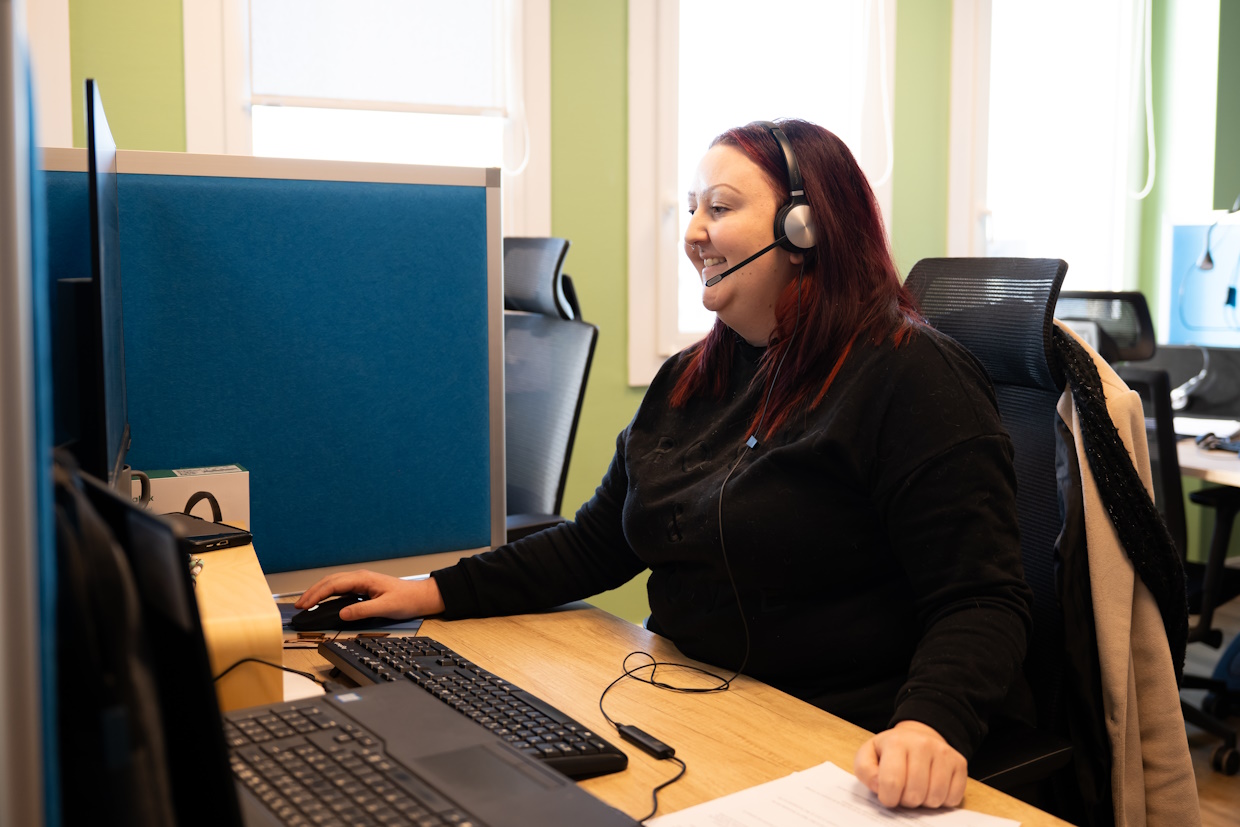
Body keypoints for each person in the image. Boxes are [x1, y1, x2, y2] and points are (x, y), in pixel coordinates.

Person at [296, 119, 1035, 811]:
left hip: (835, 742)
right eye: (690, 209)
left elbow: (980, 598)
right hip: (689, 704)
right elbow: (598, 540)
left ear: (804, 228)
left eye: (719, 206)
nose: (693, 233)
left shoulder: (911, 375)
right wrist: (427, 591)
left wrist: (929, 728)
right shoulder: (694, 377)